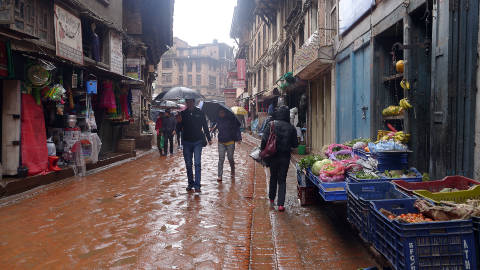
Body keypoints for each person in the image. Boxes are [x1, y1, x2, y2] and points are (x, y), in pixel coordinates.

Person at [260, 105, 298, 212]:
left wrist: (262, 151)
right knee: (282, 180)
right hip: (285, 157)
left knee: (273, 177)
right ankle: (281, 204)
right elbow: (295, 144)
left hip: (272, 157)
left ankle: (272, 199)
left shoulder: (271, 124)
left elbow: (264, 140)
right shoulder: (291, 128)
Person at [178, 98, 212, 193]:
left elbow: (205, 125)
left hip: (198, 141)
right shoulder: (183, 114)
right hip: (186, 141)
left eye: (190, 101)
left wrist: (209, 138)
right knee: (188, 164)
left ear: (193, 102)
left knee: (197, 163)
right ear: (186, 103)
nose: (189, 103)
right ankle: (190, 183)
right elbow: (179, 129)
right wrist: (179, 122)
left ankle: (197, 185)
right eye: (187, 102)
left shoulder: (200, 112)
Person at [210, 109, 241, 182]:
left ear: (225, 113)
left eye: (222, 112)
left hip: (230, 142)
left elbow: (237, 128)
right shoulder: (218, 120)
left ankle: (232, 169)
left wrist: (239, 138)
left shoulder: (231, 120)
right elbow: (216, 126)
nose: (221, 114)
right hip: (221, 142)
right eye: (219, 113)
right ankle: (219, 175)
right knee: (221, 159)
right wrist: (212, 129)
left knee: (230, 158)